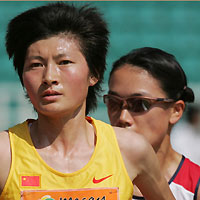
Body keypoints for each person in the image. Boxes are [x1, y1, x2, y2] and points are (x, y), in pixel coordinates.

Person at [0, 3, 175, 200]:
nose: (49, 76)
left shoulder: (130, 149)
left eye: (64, 62)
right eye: (36, 65)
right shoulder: (4, 154)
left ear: (94, 74)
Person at [104, 47, 200, 200]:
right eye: (114, 103)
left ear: (176, 110)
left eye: (140, 104)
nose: (123, 117)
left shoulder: (194, 187)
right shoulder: (86, 175)